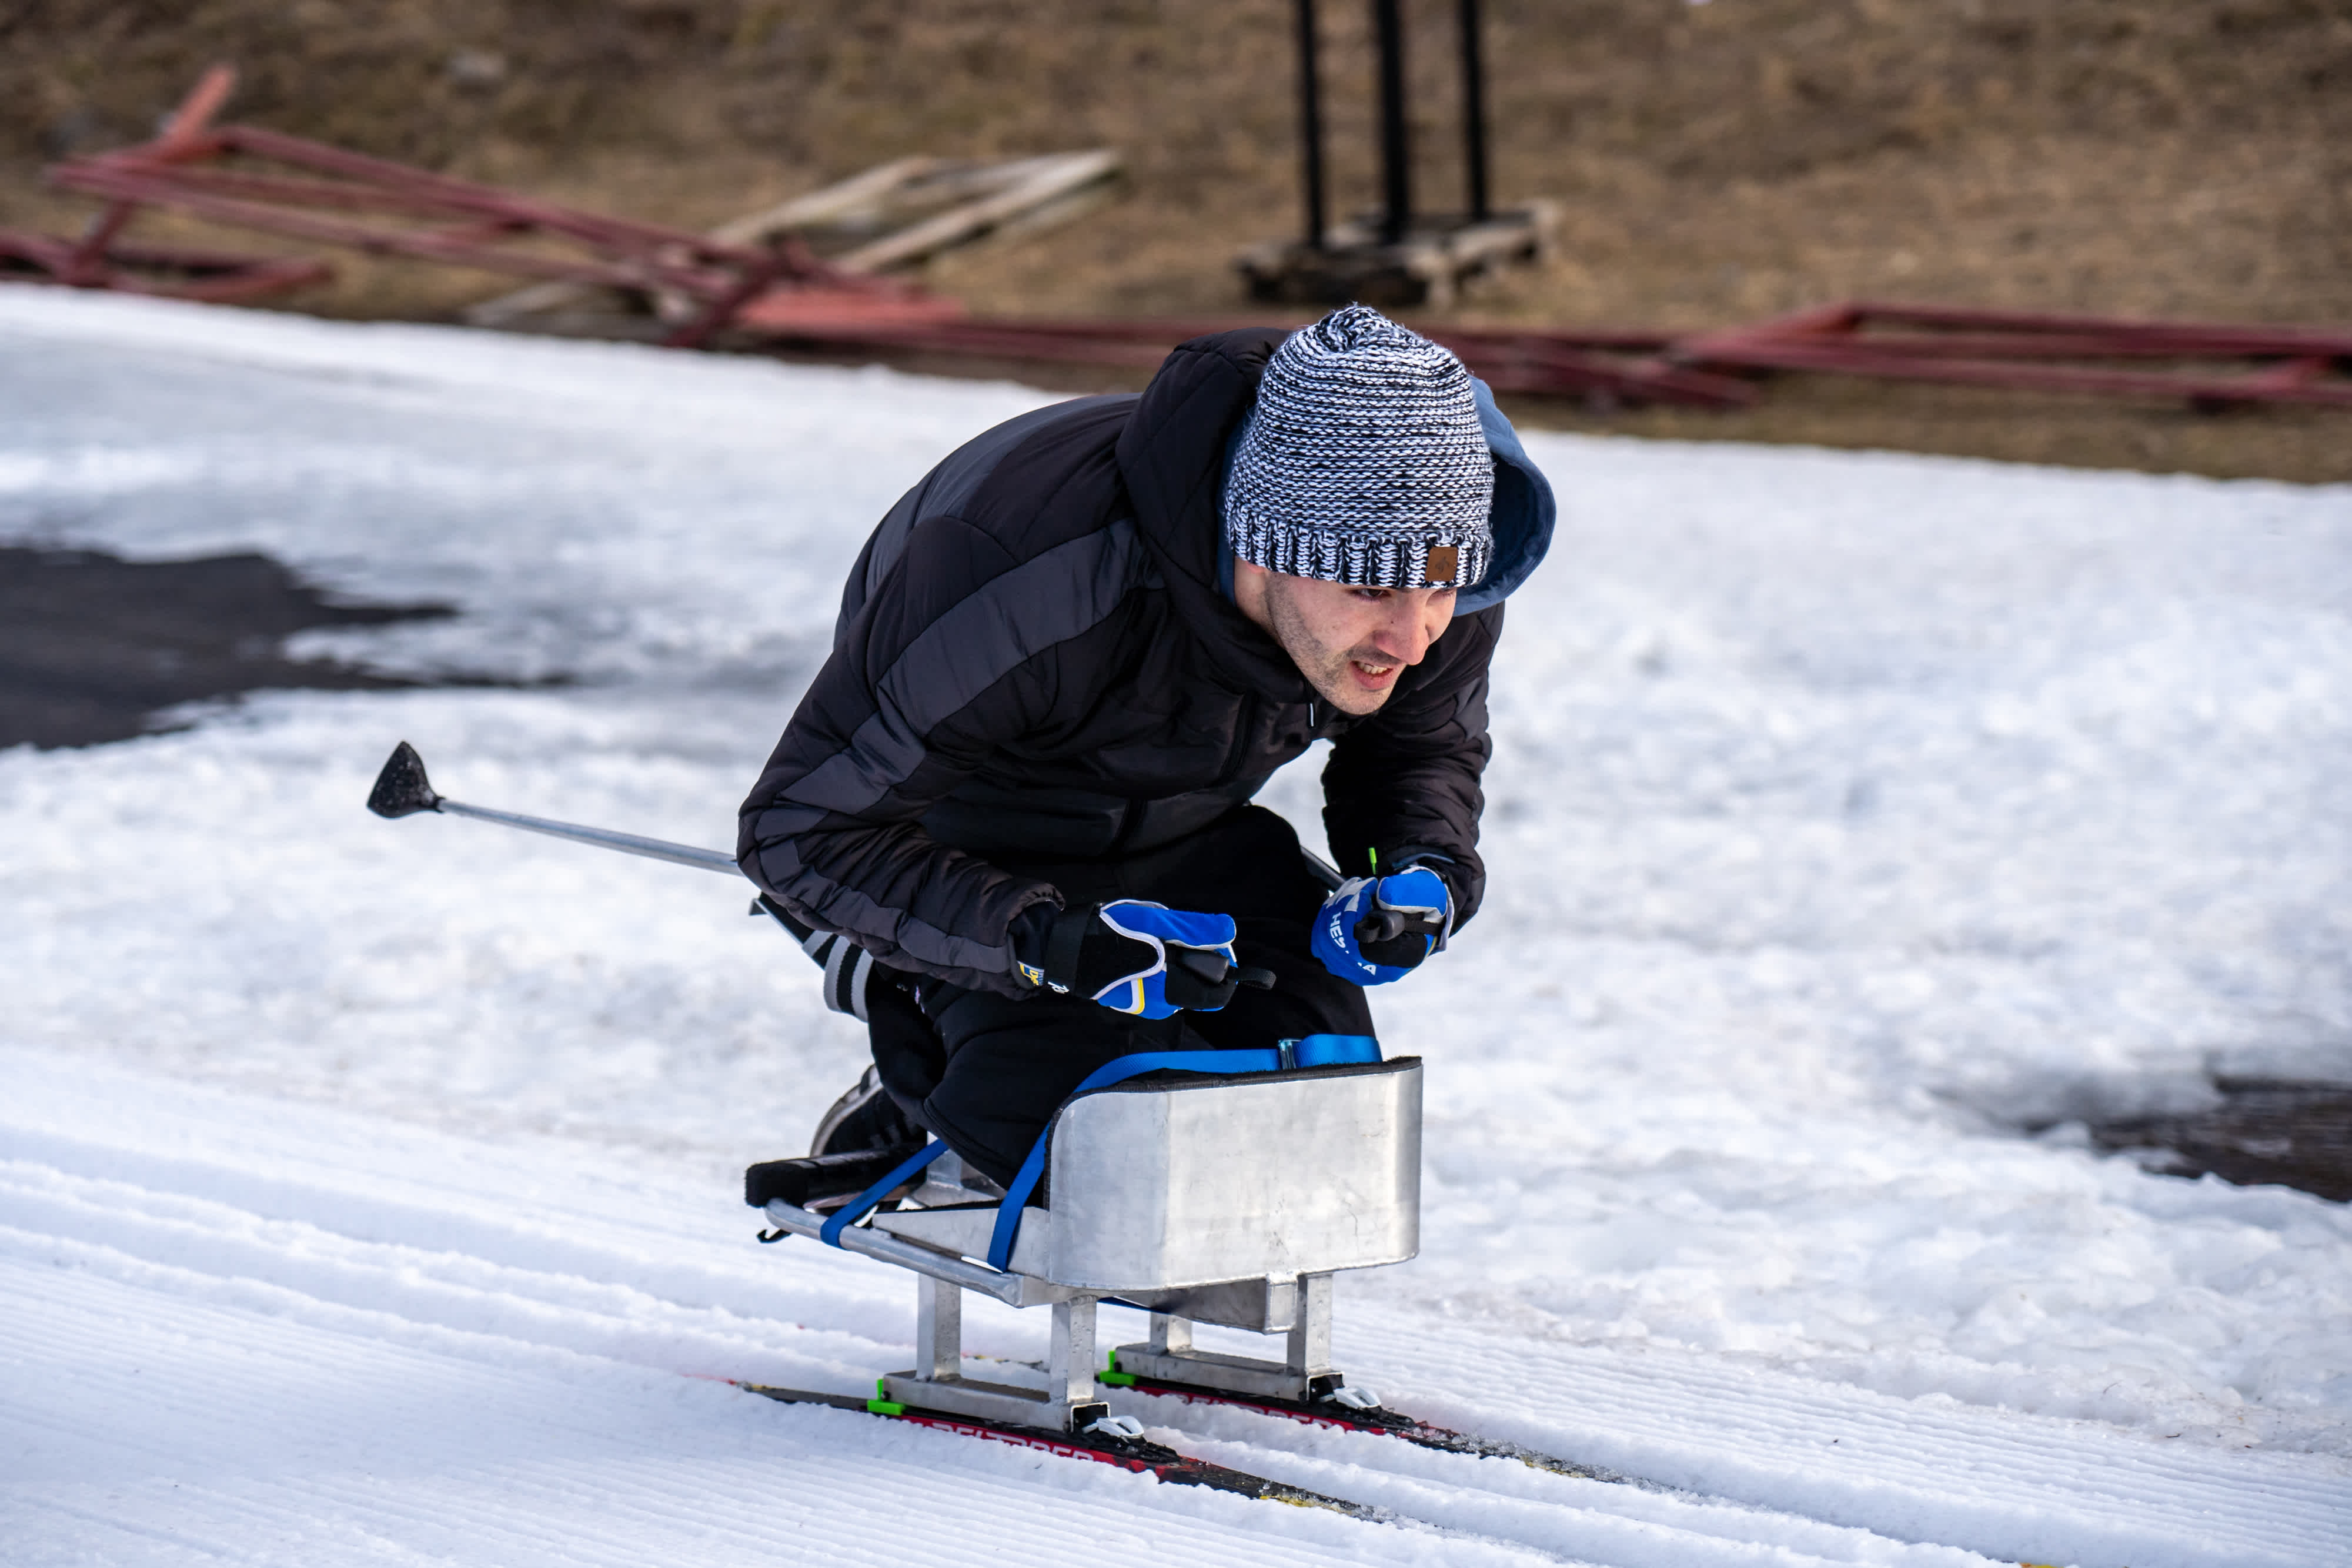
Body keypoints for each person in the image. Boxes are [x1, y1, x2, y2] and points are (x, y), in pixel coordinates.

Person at [738, 305, 1555, 1187]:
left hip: (1189, 824)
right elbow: (800, 828)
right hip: (959, 832)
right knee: (1094, 1145)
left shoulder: (1432, 582)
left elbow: (1414, 752)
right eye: (1365, 586)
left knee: (1323, 1103)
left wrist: (1416, 871)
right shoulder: (1025, 572)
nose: (1412, 638)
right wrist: (1043, 940)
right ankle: (904, 1042)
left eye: (1441, 587)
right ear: (1264, 545)